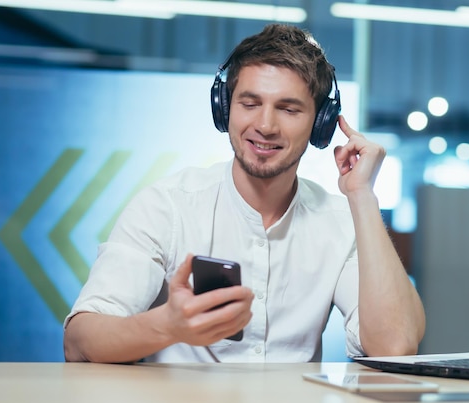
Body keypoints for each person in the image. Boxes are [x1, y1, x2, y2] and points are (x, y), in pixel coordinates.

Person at [63, 23, 425, 363]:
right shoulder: (167, 205)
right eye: (249, 104)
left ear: (320, 124)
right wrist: (167, 326)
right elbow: (79, 341)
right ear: (225, 109)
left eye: (288, 108)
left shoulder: (340, 223)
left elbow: (394, 346)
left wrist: (362, 195)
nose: (265, 126)